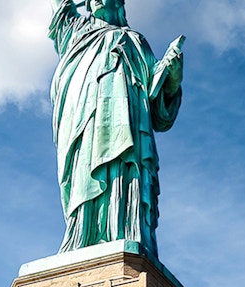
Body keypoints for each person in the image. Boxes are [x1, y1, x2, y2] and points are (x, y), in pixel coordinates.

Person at [49, 0, 183, 258]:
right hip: (81, 124)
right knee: (83, 176)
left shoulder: (135, 42)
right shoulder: (75, 33)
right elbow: (60, 7)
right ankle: (82, 236)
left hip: (126, 129)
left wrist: (173, 79)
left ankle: (122, 232)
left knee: (122, 171)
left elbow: (159, 109)